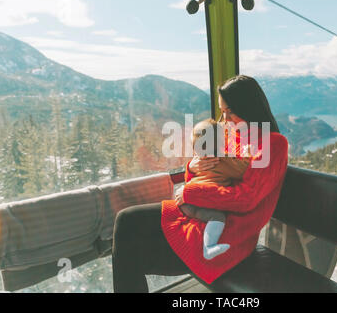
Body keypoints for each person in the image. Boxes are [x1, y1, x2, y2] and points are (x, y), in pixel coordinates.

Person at [112, 75, 289, 293]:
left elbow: (246, 199)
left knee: (131, 254)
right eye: (223, 112)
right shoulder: (231, 135)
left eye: (230, 112)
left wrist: (190, 192)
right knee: (127, 220)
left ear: (249, 108)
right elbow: (203, 176)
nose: (225, 119)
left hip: (227, 234)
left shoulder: (273, 144)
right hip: (203, 216)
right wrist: (193, 168)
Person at [180, 118, 251, 260]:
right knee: (218, 218)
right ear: (222, 142)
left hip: (185, 203)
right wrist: (247, 154)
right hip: (201, 203)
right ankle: (209, 247)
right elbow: (242, 170)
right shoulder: (223, 159)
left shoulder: (198, 159)